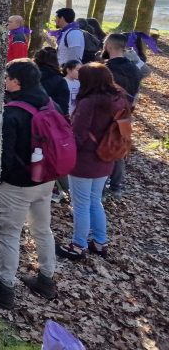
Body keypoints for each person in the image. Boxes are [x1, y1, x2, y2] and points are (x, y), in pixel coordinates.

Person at [0, 59, 58, 311]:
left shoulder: (12, 113)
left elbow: (5, 159)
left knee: (9, 234)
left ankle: (5, 288)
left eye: (7, 76)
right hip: (46, 178)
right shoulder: (48, 102)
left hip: (19, 184)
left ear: (16, 82)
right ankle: (46, 278)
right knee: (43, 229)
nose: (4, 80)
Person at [57, 63, 130, 260]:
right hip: (107, 156)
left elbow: (78, 135)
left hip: (85, 159)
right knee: (95, 200)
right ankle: (99, 241)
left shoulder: (89, 102)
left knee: (80, 203)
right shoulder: (119, 98)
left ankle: (78, 244)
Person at [102, 33, 142, 200]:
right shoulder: (135, 68)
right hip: (126, 113)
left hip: (106, 112)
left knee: (103, 147)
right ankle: (116, 186)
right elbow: (137, 92)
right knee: (119, 148)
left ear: (109, 46)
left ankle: (102, 187)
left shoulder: (104, 69)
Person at [33, 47, 70, 116]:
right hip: (50, 120)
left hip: (28, 117)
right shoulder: (59, 80)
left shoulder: (28, 77)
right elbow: (63, 107)